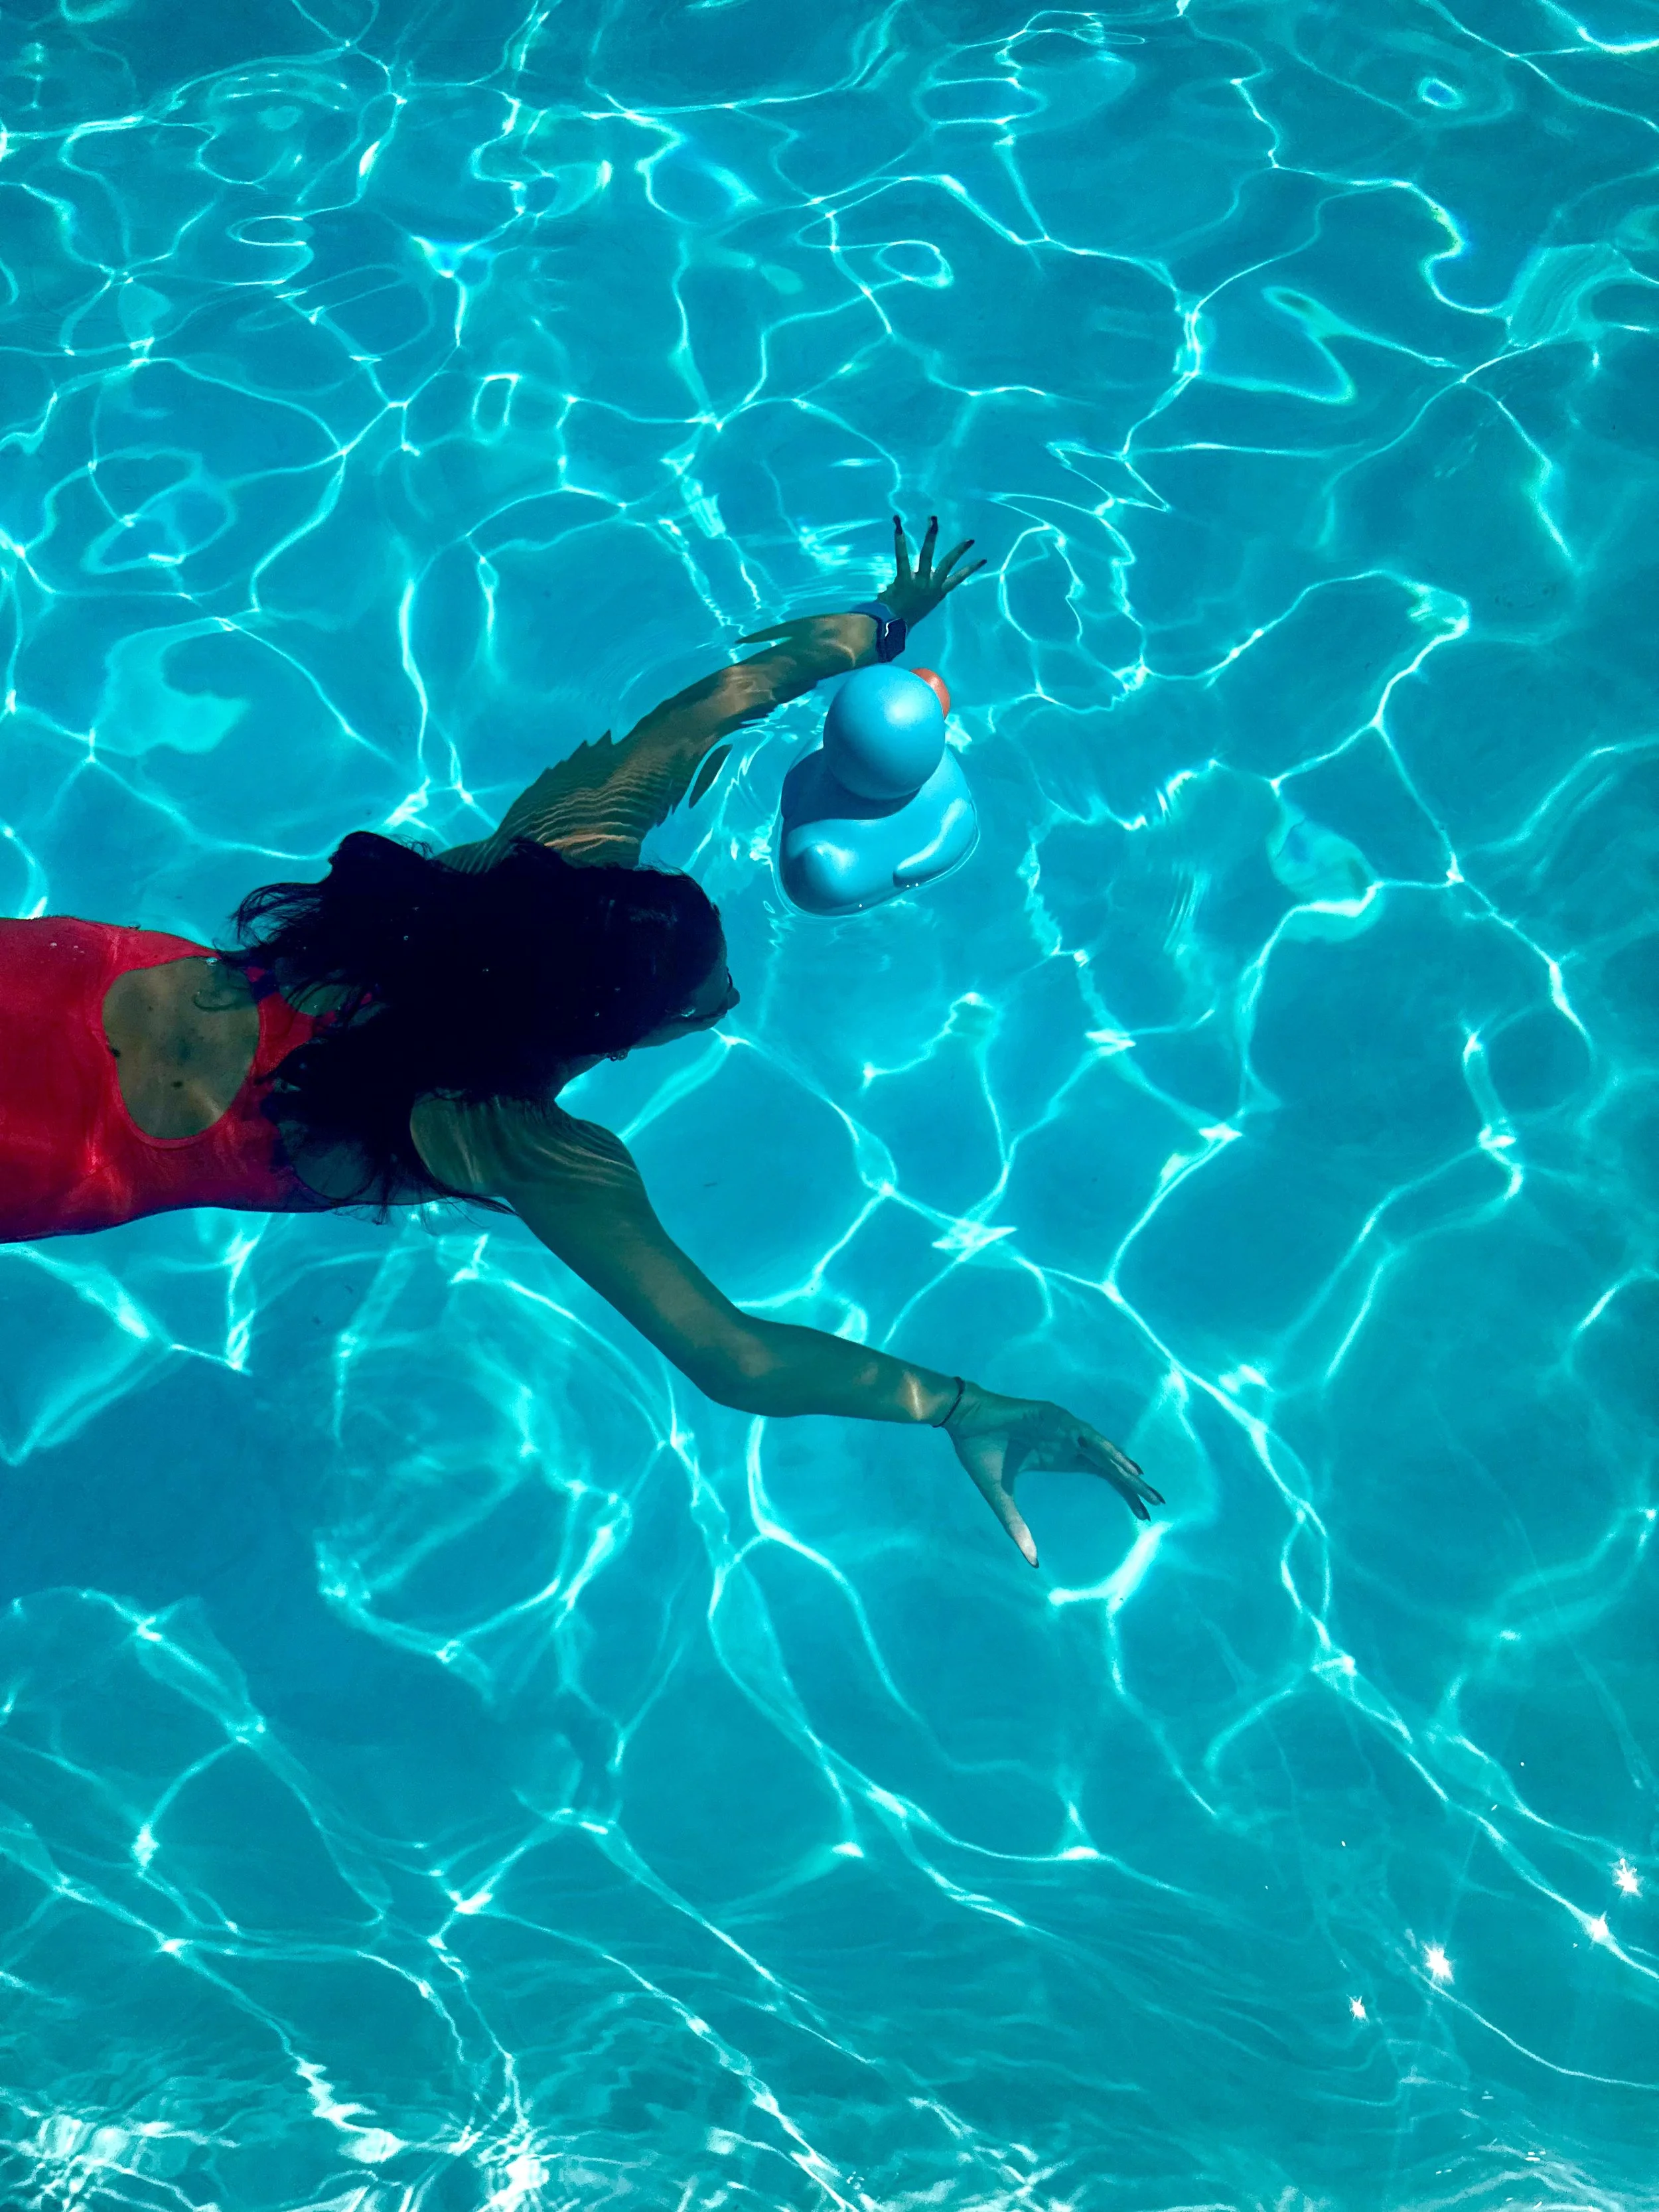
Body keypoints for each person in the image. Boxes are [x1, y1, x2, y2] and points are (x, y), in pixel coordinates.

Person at [0, 518, 1159, 1565]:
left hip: (60, 975)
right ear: (601, 1037)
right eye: (695, 1007)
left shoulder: (530, 862)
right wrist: (966, 1407)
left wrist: (882, 624)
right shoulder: (518, 1145)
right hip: (49, 1163)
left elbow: (713, 706)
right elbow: (736, 1359)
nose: (725, 1005)